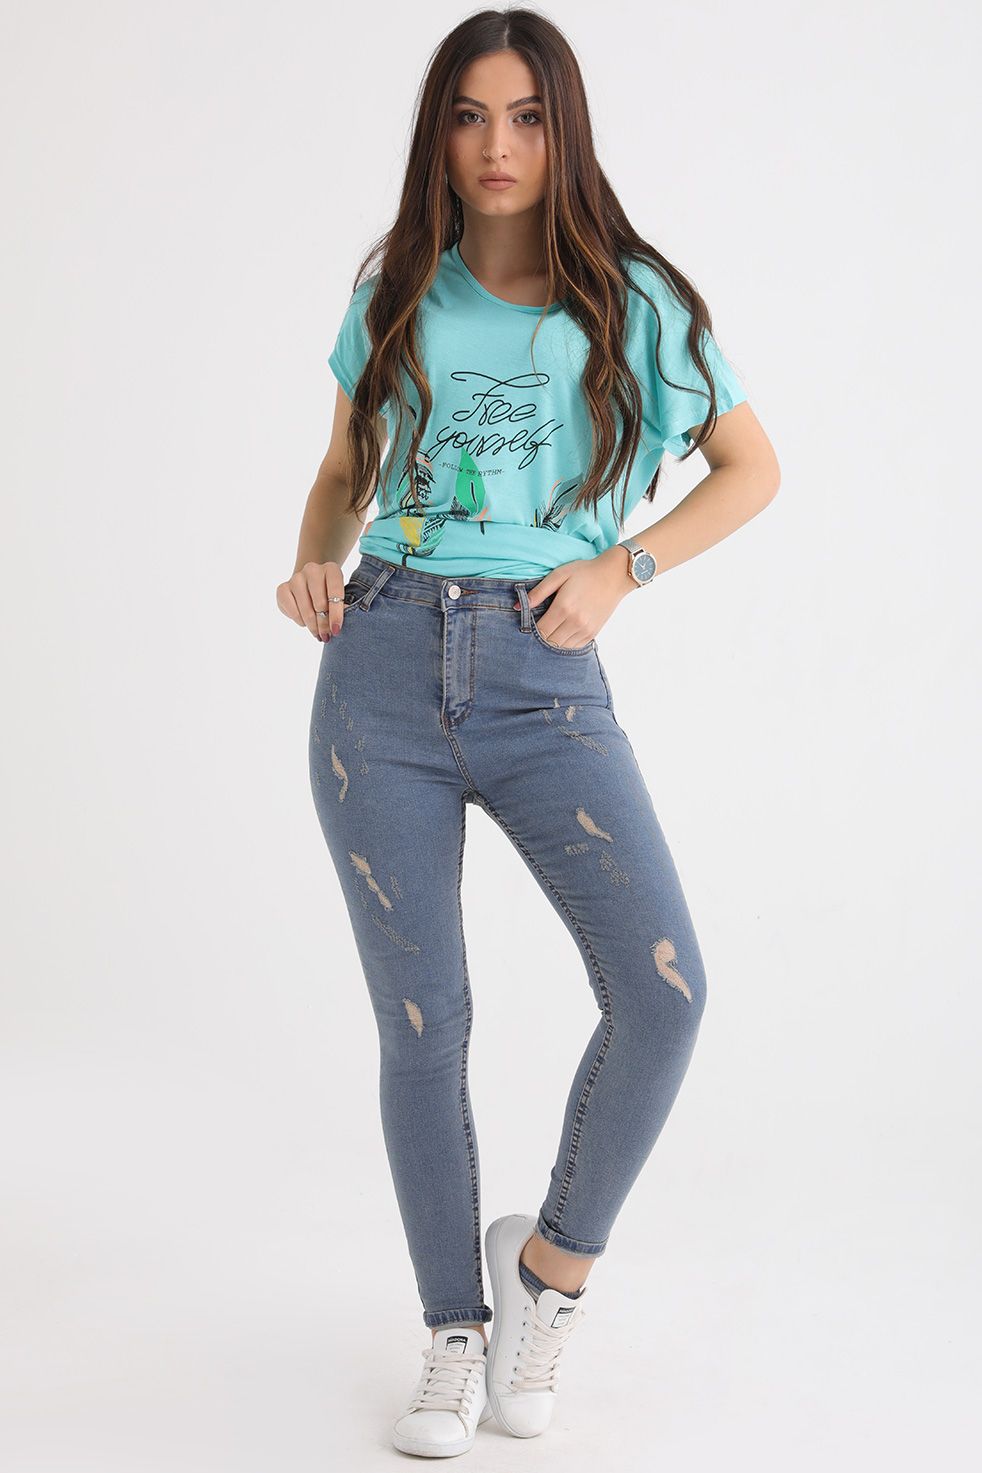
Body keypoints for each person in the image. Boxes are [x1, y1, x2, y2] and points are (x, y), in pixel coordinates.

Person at [277, 8, 779, 1457]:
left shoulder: (635, 299)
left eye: (526, 116)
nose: (495, 146)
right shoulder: (398, 286)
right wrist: (313, 561)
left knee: (663, 991)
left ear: (565, 131)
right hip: (378, 665)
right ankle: (452, 1329)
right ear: (437, 134)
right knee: (422, 1024)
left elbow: (750, 467)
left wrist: (624, 567)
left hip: (543, 674)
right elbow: (344, 468)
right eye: (468, 115)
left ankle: (546, 1275)